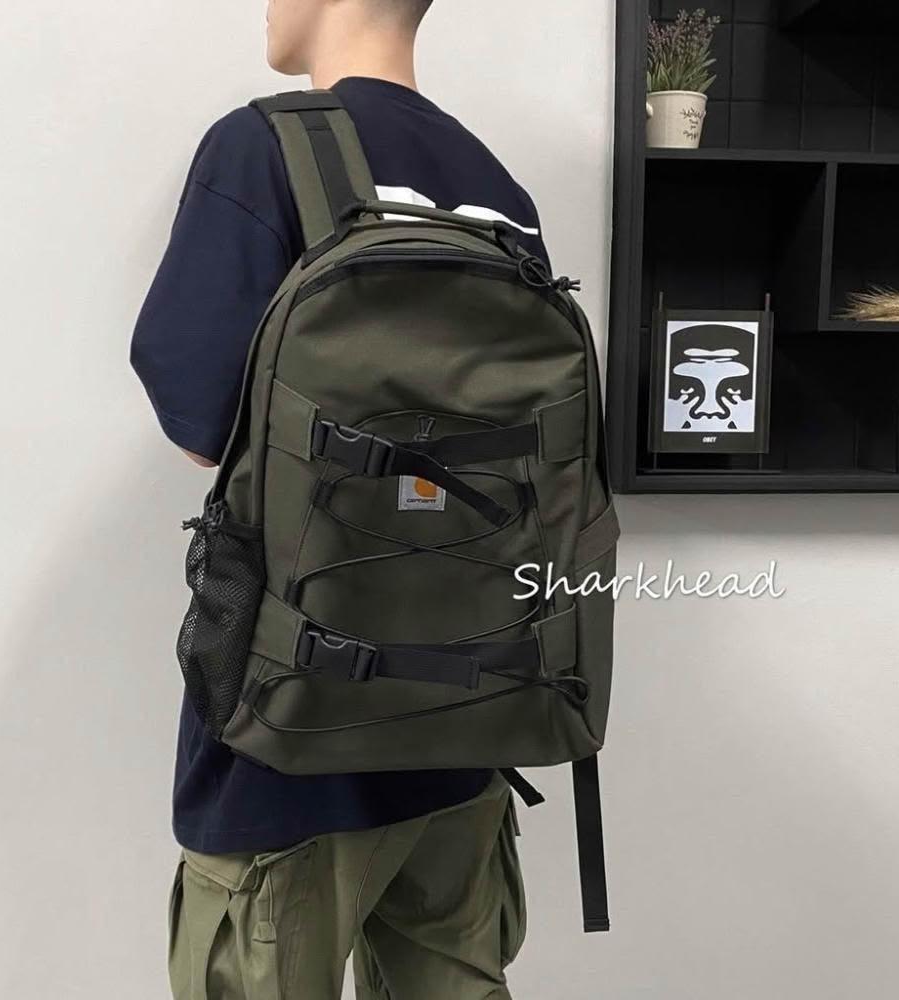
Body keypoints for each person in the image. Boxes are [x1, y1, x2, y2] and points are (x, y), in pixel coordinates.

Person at [131, 2, 554, 996]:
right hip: (467, 719)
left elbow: (197, 425)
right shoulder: (501, 193)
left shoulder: (263, 147)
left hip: (288, 737)